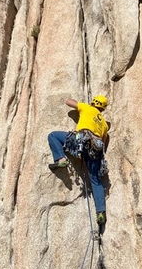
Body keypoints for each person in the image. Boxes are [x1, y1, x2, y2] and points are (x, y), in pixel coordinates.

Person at [47, 95, 109, 226]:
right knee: (96, 181)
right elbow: (103, 143)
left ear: (94, 102)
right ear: (103, 108)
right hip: (95, 150)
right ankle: (101, 212)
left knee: (53, 136)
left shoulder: (87, 108)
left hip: (81, 140)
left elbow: (68, 102)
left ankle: (61, 158)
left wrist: (78, 102)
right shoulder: (104, 125)